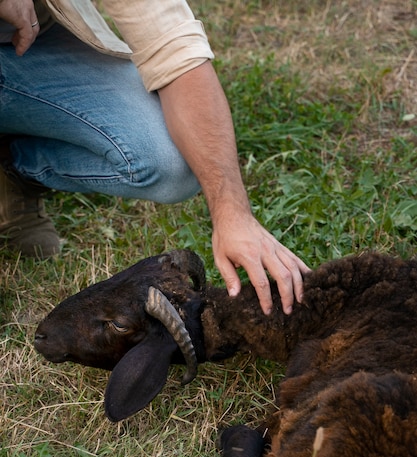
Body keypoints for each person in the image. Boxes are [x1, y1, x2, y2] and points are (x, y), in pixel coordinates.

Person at [0, 0, 309, 315]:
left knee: (173, 160)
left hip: (33, 44)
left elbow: (173, 44)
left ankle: (12, 165)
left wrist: (233, 213)